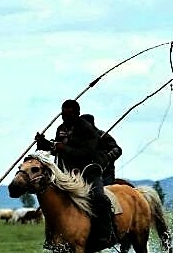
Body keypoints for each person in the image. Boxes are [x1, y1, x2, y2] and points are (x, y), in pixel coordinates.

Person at [34, 99, 123, 245]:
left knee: (99, 197)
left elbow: (85, 154)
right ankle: (52, 236)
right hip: (68, 174)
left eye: (68, 115)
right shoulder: (61, 129)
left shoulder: (88, 131)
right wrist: (46, 144)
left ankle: (106, 232)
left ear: (77, 114)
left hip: (89, 171)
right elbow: (58, 149)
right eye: (63, 115)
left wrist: (61, 148)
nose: (65, 118)